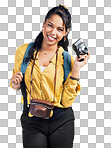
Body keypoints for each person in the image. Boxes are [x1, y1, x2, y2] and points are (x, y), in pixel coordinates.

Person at [10, 4, 90, 148]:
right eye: (50, 25)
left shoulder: (67, 60)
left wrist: (76, 69)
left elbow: (66, 102)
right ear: (43, 25)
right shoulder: (23, 51)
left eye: (60, 29)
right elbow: (16, 82)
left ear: (65, 33)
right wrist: (16, 84)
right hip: (32, 119)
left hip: (62, 121)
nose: (53, 32)